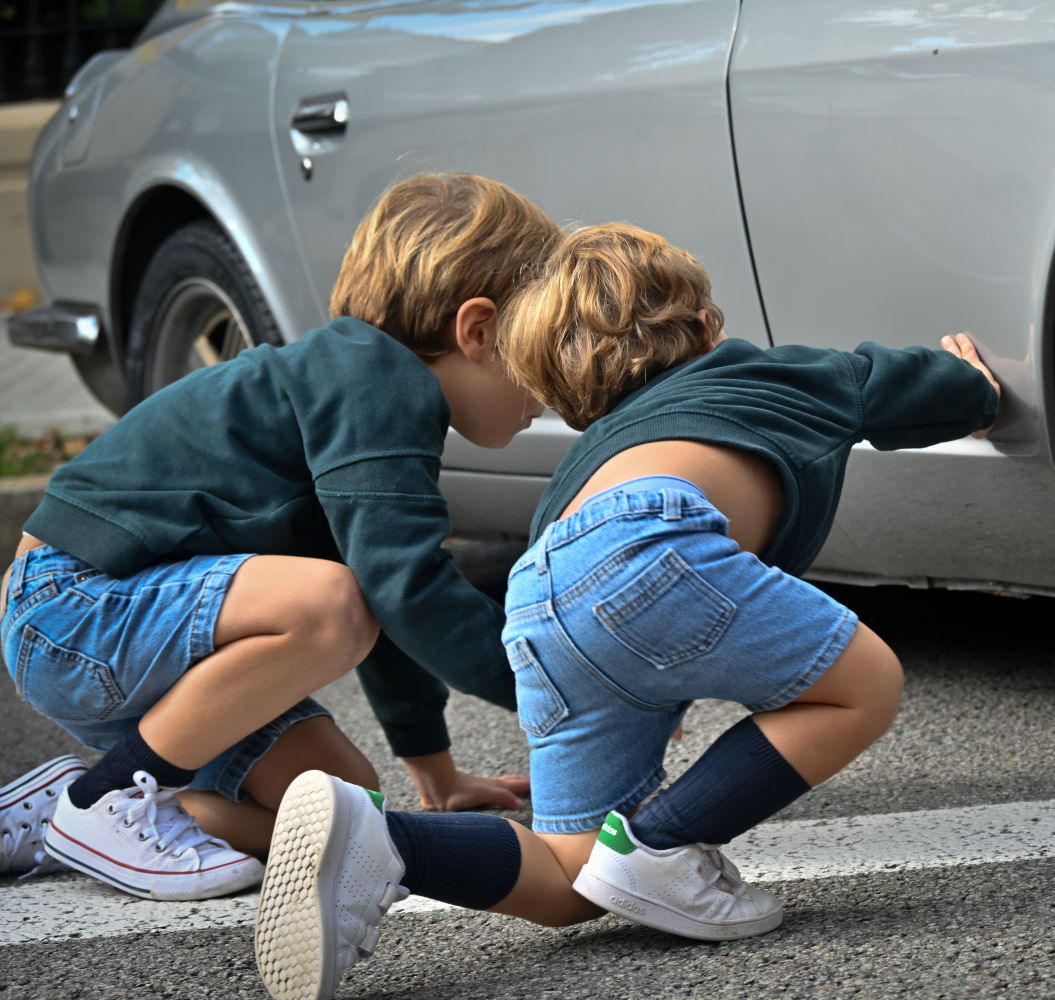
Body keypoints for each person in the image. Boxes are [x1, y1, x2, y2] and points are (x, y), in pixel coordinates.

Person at [252, 221, 1002, 1000]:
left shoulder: (592, 453)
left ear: (570, 401)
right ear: (709, 325)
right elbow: (889, 382)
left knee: (579, 876)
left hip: (540, 595)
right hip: (653, 544)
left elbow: (592, 591)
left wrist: (643, 666)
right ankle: (666, 842)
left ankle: (380, 840)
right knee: (863, 683)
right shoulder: (766, 373)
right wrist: (975, 389)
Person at [0, 173, 560, 900]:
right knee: (329, 604)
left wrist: (438, 776)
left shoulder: (362, 395)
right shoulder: (375, 378)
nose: (549, 387)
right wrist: (559, 693)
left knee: (341, 801)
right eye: (542, 350)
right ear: (477, 330)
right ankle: (103, 802)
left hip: (123, 638)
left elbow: (387, 599)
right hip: (74, 606)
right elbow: (403, 590)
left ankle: (73, 813)